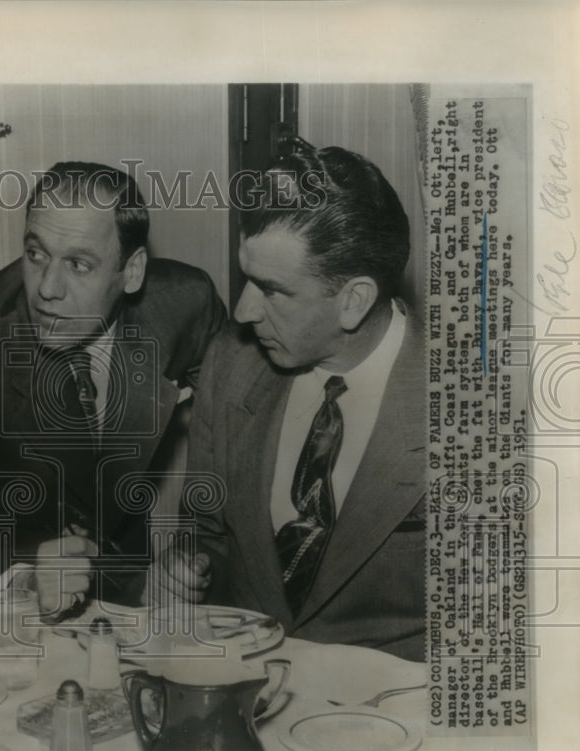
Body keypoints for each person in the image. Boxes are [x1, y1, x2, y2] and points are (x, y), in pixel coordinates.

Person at [0, 161, 226, 615]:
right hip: (23, 594)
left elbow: (235, 441)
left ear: (132, 271)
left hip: (140, 583)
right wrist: (26, 581)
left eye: (78, 264)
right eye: (36, 254)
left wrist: (191, 553)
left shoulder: (184, 306)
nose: (47, 289)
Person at [169, 141, 426, 661]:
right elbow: (206, 533)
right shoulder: (230, 364)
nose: (242, 312)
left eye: (271, 290)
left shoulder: (472, 405)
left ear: (353, 301)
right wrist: (185, 570)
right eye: (246, 279)